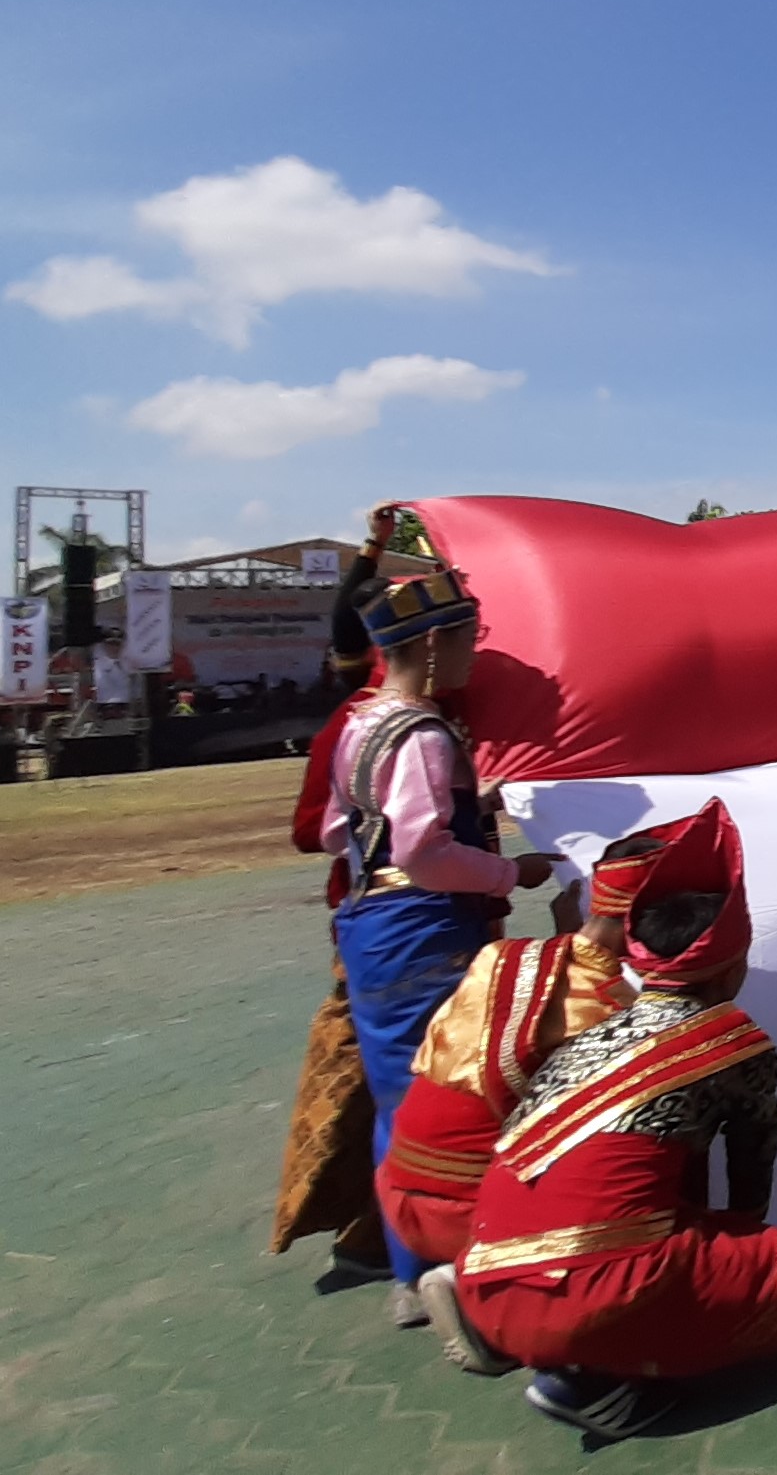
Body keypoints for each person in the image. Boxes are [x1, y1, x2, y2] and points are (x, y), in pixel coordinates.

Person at [452, 800, 777, 1439]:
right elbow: (753, 1162)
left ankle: (524, 1332)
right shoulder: (730, 1040)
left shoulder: (595, 1032)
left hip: (483, 1265)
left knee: (653, 1220)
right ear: (734, 965)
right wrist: (742, 1246)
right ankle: (595, 1380)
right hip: (594, 1290)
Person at [324, 567, 562, 1328]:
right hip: (424, 925)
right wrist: (507, 870)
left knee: (402, 1092)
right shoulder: (424, 735)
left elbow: (339, 831)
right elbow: (423, 850)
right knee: (459, 1086)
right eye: (465, 640)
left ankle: (410, 1265)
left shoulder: (361, 724)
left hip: (371, 924)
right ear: (430, 644)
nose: (471, 657)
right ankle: (459, 1262)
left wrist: (474, 802)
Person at [391, 836, 654, 1373]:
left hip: (401, 1189)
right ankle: (487, 1291)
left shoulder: (502, 959)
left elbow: (545, 1012)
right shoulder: (612, 1010)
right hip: (465, 1212)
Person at [271, 502, 407, 1277]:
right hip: (387, 926)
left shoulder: (406, 709)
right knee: (390, 1082)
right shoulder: (368, 722)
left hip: (405, 922)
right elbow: (311, 829)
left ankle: (377, 1227)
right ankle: (382, 1233)